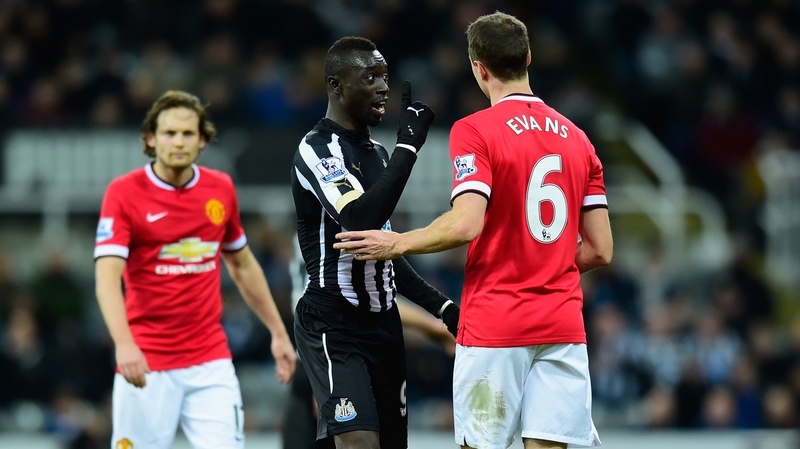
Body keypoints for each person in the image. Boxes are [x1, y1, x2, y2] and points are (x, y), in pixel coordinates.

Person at [334, 12, 613, 449]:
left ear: (478, 68)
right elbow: (600, 251)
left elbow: (466, 223)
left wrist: (397, 242)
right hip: (562, 327)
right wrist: (546, 264)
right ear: (528, 58)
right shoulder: (579, 139)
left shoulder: (476, 130)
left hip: (496, 325)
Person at [94, 90, 296, 449]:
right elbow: (107, 278)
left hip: (210, 361)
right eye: (169, 133)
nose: (178, 141)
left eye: (188, 133)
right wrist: (124, 345)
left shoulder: (220, 188)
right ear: (150, 139)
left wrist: (278, 332)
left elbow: (243, 264)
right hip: (146, 361)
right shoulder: (124, 193)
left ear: (202, 140)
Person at [290, 36, 460, 449]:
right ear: (336, 85)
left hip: (383, 325)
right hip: (333, 322)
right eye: (370, 77)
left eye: (385, 77)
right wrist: (409, 147)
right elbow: (357, 220)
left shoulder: (379, 154)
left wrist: (442, 307)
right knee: (360, 442)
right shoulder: (318, 149)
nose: (383, 87)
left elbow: (382, 250)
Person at [281, 236, 455, 449]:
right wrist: (433, 326)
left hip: (336, 357)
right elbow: (355, 302)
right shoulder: (327, 233)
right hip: (325, 359)